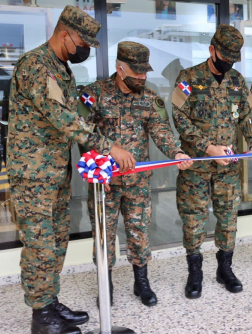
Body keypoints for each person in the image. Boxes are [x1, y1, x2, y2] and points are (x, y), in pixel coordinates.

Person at [7, 5, 135, 334]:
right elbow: (63, 119)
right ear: (66, 35)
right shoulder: (36, 65)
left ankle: (50, 302)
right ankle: (41, 315)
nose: (86, 51)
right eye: (84, 44)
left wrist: (96, 163)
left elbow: (74, 123)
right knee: (39, 243)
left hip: (56, 172)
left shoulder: (62, 69)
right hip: (33, 175)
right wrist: (110, 148)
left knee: (57, 240)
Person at [78, 42, 193, 308]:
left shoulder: (149, 98)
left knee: (139, 234)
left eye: (145, 71)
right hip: (103, 183)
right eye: (137, 72)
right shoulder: (93, 95)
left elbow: (161, 130)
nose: (142, 77)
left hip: (137, 184)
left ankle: (141, 282)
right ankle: (104, 285)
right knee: (103, 237)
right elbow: (82, 135)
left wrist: (176, 152)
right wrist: (97, 170)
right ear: (120, 69)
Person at [172, 24, 252, 299]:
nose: (227, 64)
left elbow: (249, 114)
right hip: (196, 168)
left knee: (227, 218)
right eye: (224, 58)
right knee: (194, 219)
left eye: (232, 59)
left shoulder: (237, 80)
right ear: (212, 50)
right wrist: (206, 147)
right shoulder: (188, 78)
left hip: (227, 167)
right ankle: (195, 273)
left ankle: (225, 269)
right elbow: (179, 117)